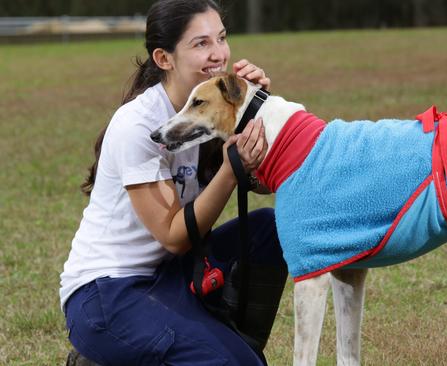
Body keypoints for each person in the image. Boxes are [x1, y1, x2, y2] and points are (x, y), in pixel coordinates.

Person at [59, 1, 287, 365]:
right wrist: (230, 169)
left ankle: (234, 344)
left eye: (222, 38)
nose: (219, 54)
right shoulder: (137, 124)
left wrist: (253, 111)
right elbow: (173, 236)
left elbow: (263, 184)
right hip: (109, 294)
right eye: (201, 44)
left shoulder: (214, 102)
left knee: (267, 229)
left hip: (173, 275)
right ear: (164, 58)